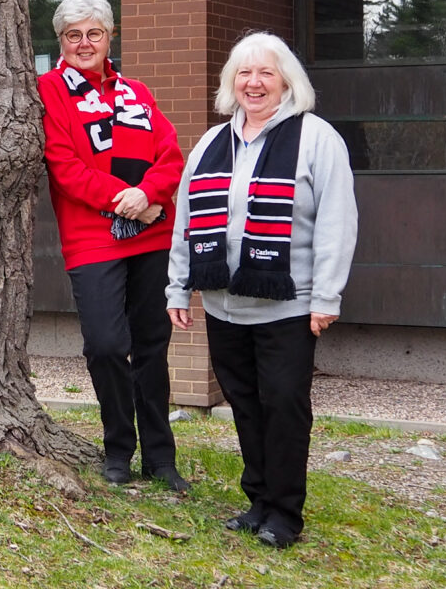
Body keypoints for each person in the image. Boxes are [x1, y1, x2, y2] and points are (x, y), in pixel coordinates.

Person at [166, 32, 357, 548]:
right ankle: (258, 500)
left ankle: (285, 514)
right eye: (244, 74)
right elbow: (187, 219)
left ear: (286, 81)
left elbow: (337, 224)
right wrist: (178, 289)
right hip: (225, 307)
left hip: (289, 309)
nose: (254, 83)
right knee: (245, 406)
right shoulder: (211, 143)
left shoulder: (317, 139)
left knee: (285, 406)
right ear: (231, 83)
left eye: (266, 73)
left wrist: (326, 298)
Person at [36, 0, 189, 491]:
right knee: (105, 345)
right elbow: (63, 165)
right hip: (93, 237)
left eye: (94, 33)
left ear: (109, 37)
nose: (85, 43)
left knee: (152, 345)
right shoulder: (51, 90)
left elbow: (170, 154)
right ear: (61, 41)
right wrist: (124, 198)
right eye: (73, 35)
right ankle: (118, 446)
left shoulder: (136, 92)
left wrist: (148, 194)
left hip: (151, 233)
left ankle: (161, 459)